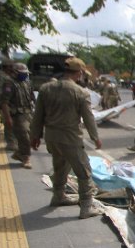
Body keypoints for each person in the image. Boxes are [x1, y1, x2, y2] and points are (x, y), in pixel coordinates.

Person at [30, 57, 104, 219]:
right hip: (70, 138)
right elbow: (88, 118)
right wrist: (95, 137)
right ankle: (86, 206)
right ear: (79, 73)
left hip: (51, 137)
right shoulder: (80, 92)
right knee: (83, 172)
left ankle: (58, 195)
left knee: (60, 166)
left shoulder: (46, 89)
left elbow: (38, 115)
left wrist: (34, 135)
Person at [0, 63, 35, 169]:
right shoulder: (9, 84)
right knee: (24, 136)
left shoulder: (27, 82)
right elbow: (4, 102)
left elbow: (32, 97)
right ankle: (26, 157)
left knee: (33, 135)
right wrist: (8, 118)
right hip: (17, 114)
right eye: (22, 73)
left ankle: (19, 153)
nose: (24, 75)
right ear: (15, 73)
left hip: (28, 112)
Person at [0, 60, 17, 150]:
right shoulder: (1, 77)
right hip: (4, 102)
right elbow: (0, 91)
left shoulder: (8, 77)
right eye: (11, 67)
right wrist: (3, 103)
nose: (12, 69)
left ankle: (13, 141)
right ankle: (11, 142)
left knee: (11, 122)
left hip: (9, 102)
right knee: (8, 122)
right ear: (6, 67)